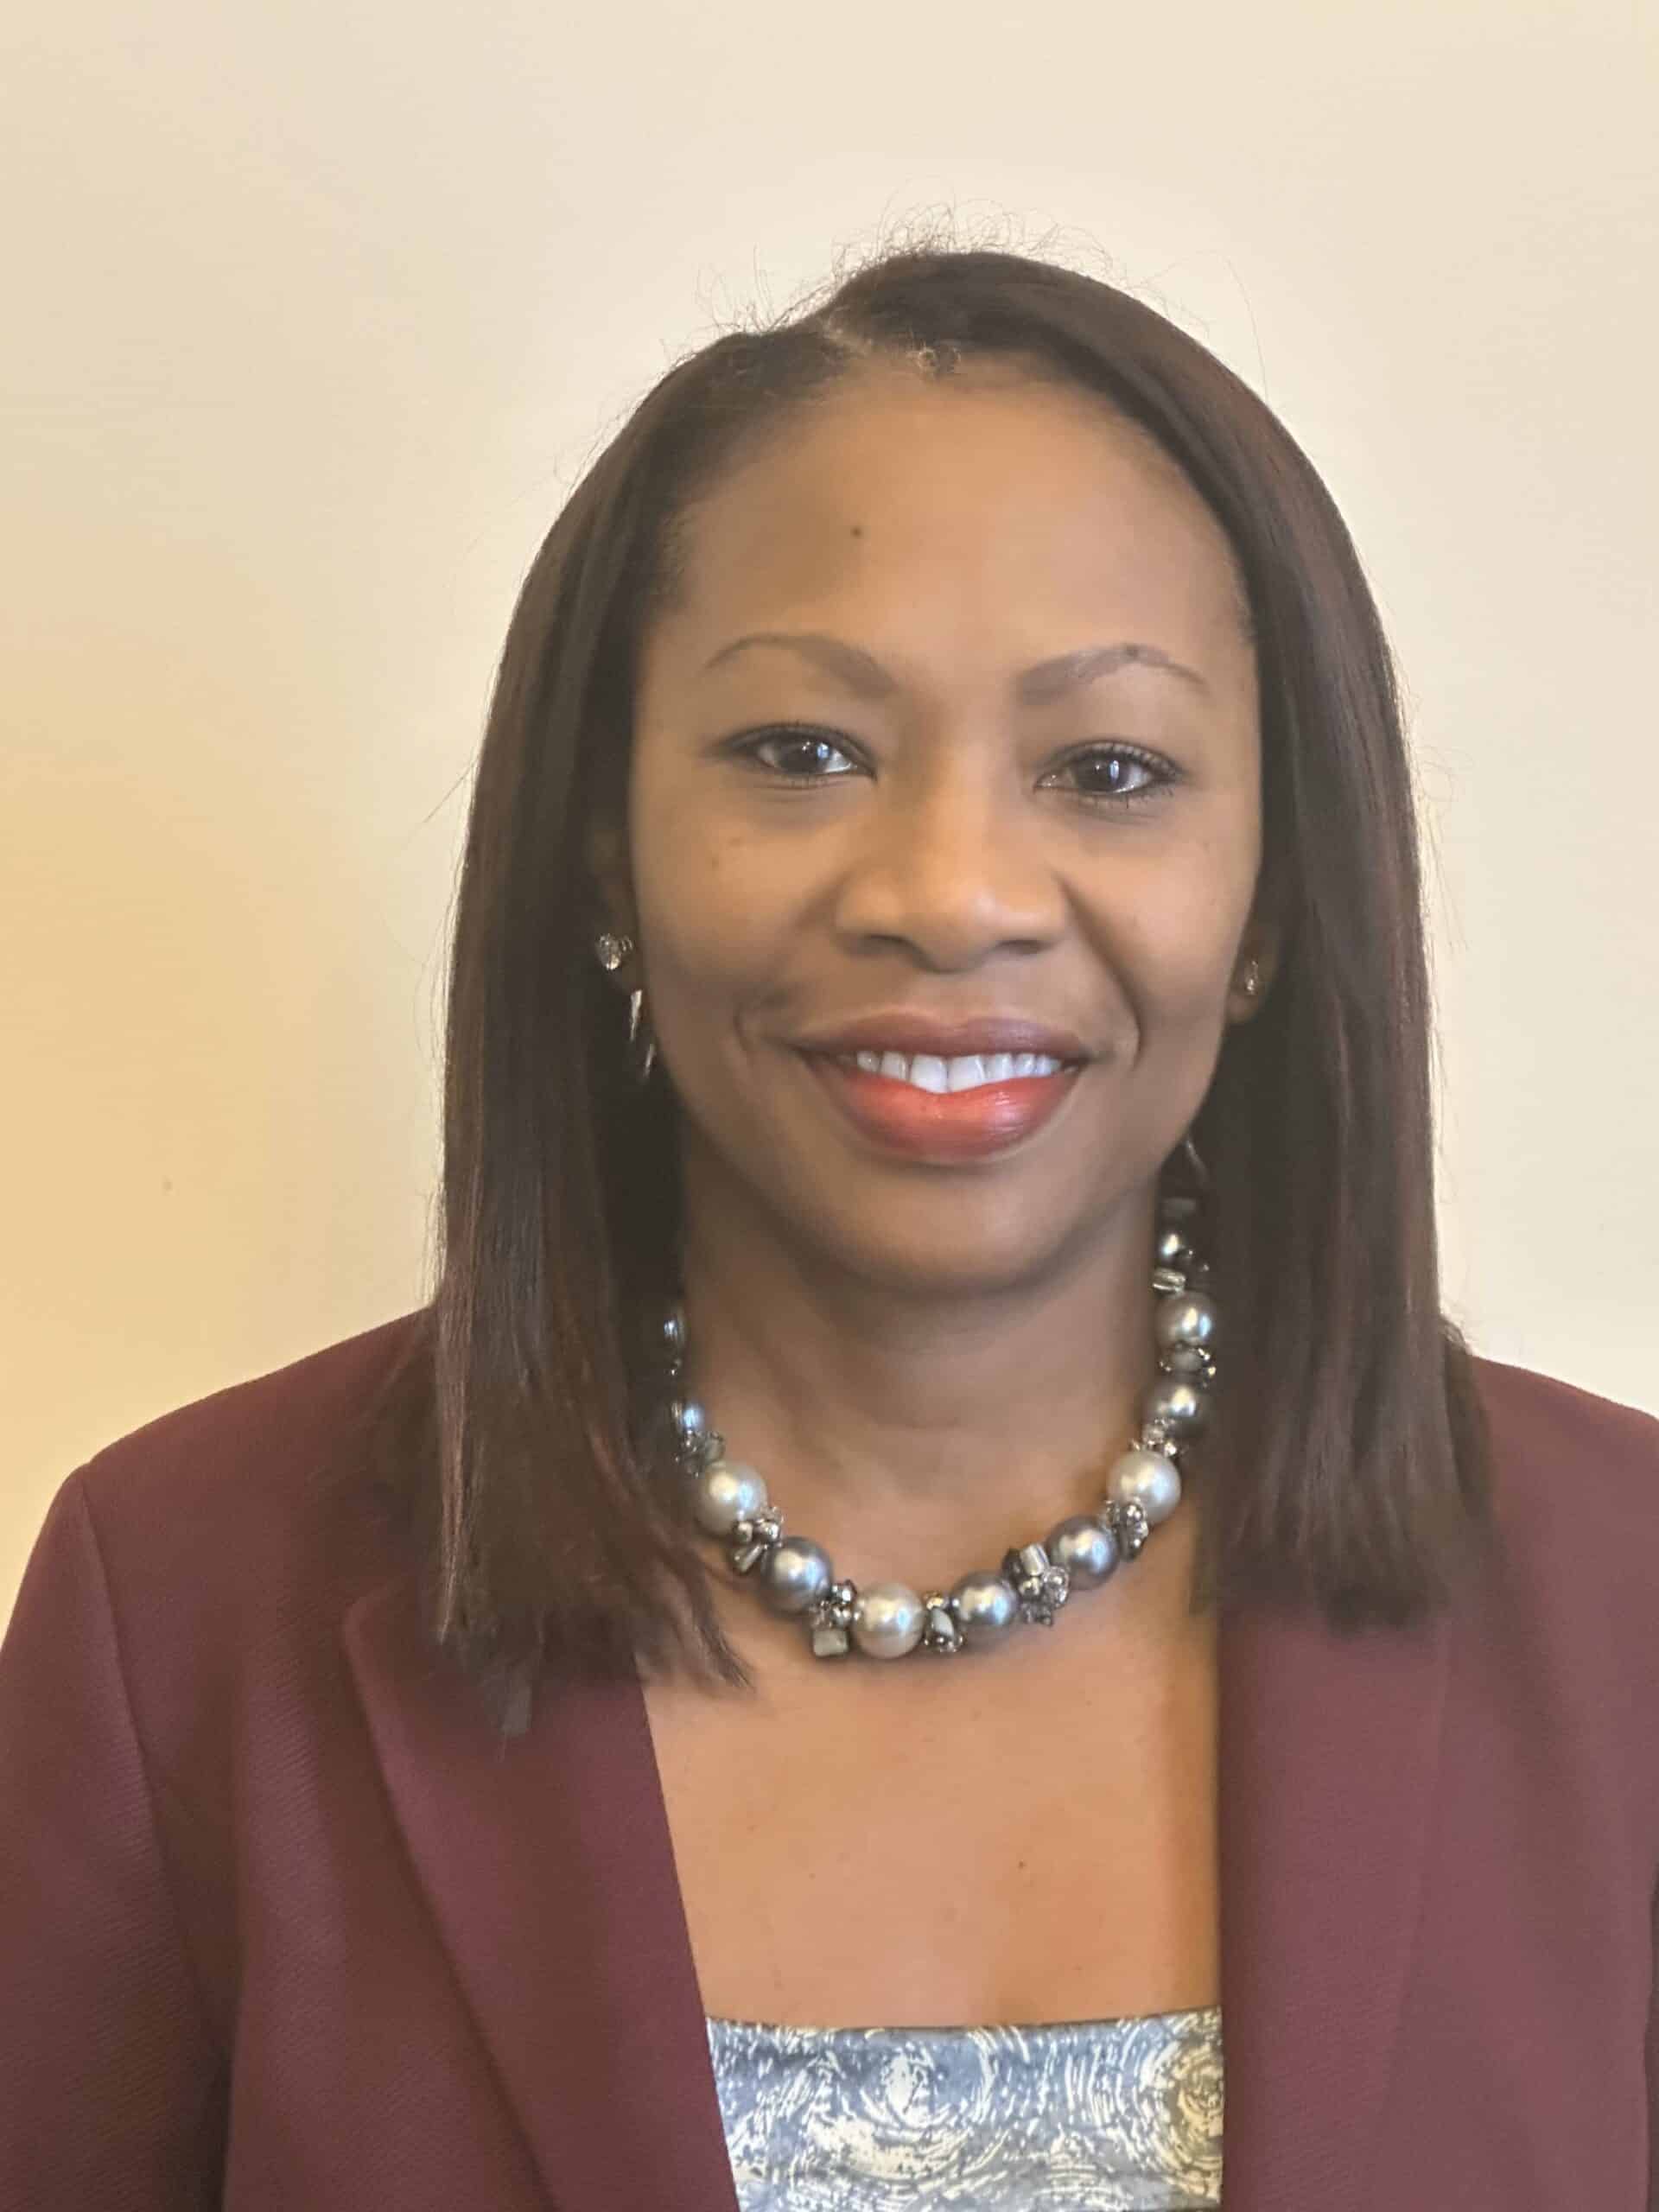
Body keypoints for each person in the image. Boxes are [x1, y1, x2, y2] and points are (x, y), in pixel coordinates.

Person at [2, 243, 1656, 2212]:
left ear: (1275, 892)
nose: (952, 893)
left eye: (1110, 769)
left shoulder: (1626, 1599)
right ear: (602, 843)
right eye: (803, 753)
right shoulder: (184, 1606)